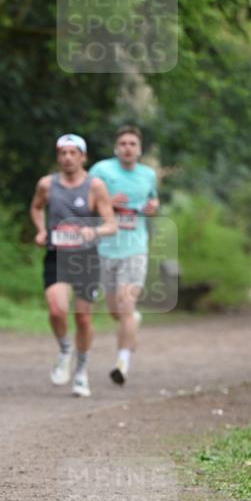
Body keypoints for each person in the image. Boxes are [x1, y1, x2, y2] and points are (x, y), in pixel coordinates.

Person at [30, 134, 116, 397]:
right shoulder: (47, 184)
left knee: (83, 318)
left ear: (82, 156)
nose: (67, 158)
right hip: (56, 254)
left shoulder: (95, 186)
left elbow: (111, 223)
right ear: (58, 157)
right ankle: (65, 349)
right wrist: (41, 230)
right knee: (57, 310)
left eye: (72, 153)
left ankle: (81, 370)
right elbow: (36, 208)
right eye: (62, 153)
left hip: (85, 257)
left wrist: (95, 232)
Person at [89, 125, 159, 385]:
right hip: (106, 248)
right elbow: (86, 201)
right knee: (116, 312)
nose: (128, 148)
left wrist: (152, 207)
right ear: (116, 148)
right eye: (123, 143)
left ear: (139, 150)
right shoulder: (101, 171)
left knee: (126, 304)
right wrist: (106, 201)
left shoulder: (148, 175)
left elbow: (153, 201)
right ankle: (132, 323)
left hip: (135, 248)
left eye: (132, 144)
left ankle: (122, 363)